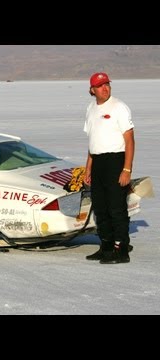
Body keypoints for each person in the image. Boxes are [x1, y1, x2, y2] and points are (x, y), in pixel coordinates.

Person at [83, 72, 135, 264]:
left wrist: (126, 169)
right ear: (92, 90)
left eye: (107, 84)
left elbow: (129, 140)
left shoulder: (119, 107)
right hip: (98, 162)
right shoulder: (90, 109)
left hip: (116, 161)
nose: (105, 88)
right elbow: (92, 142)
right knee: (100, 207)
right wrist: (88, 168)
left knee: (116, 208)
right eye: (101, 85)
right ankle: (106, 246)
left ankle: (121, 250)